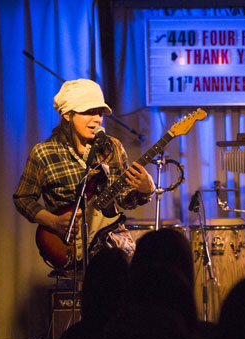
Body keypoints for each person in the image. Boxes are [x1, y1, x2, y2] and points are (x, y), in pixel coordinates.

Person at [13, 78, 154, 261]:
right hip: (70, 248)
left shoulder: (113, 147)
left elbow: (123, 200)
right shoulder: (44, 153)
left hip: (113, 242)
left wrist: (145, 191)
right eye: (88, 112)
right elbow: (23, 199)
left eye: (99, 113)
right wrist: (53, 222)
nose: (97, 119)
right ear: (67, 115)